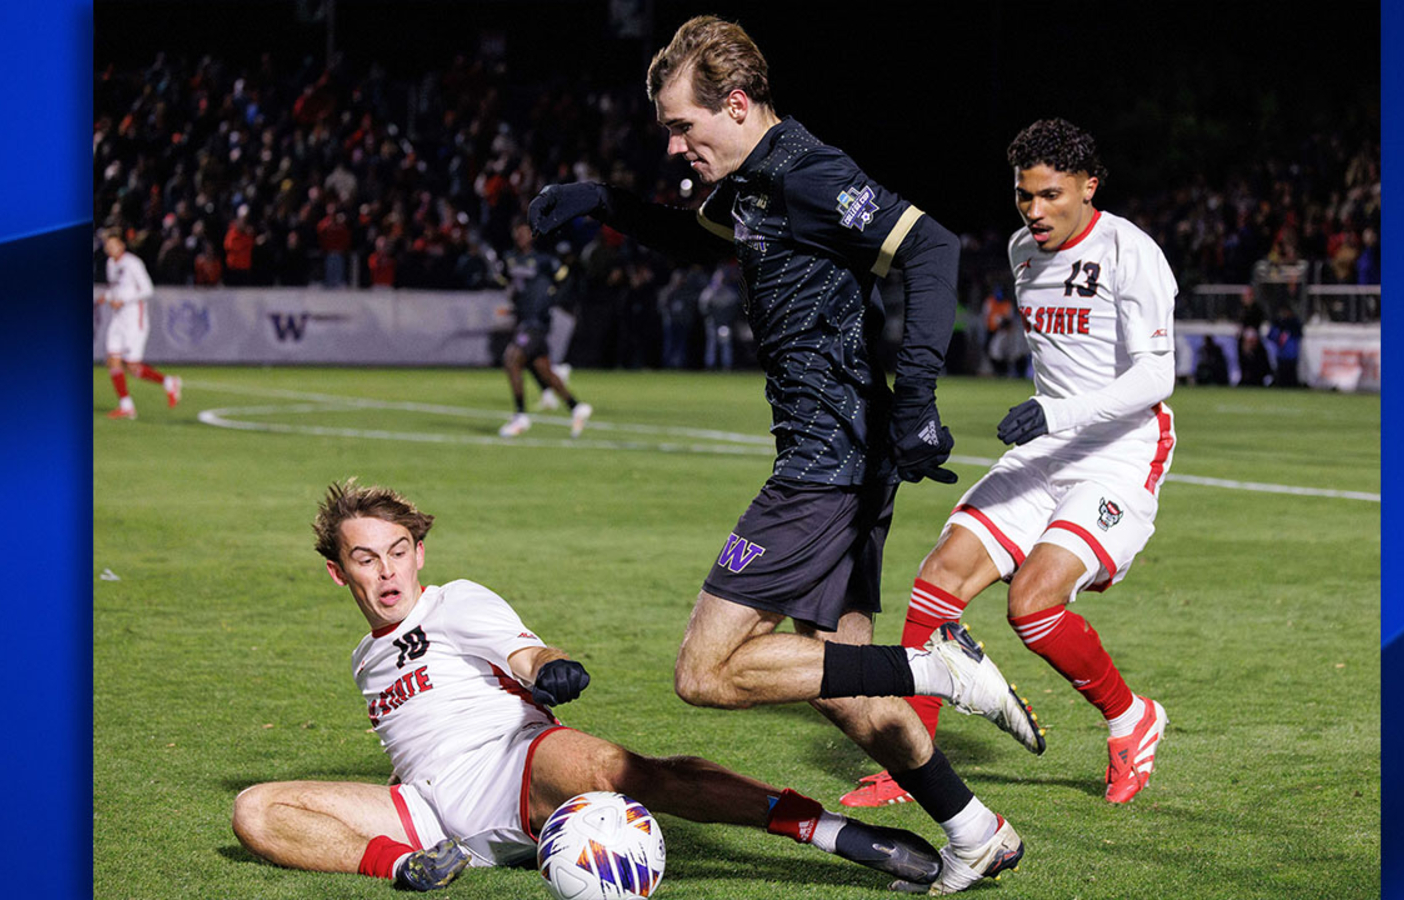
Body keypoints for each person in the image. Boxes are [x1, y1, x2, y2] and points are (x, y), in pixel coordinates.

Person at [528, 17, 1038, 893]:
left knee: (705, 671)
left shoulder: (808, 173)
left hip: (825, 463)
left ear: (736, 104)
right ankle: (975, 831)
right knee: (839, 682)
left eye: (683, 126)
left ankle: (940, 669)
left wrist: (917, 396)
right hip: (838, 459)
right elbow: (700, 238)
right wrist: (606, 204)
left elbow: (931, 245)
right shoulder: (748, 186)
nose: (675, 146)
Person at [230, 480, 948, 891]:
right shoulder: (366, 658)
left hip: (514, 769)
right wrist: (404, 805)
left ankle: (830, 831)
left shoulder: (454, 603)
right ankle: (411, 870)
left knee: (618, 770)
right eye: (366, 559)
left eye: (397, 552)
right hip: (427, 813)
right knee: (257, 810)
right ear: (339, 573)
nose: (387, 571)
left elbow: (522, 651)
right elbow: (418, 735)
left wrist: (549, 669)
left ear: (419, 553)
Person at [842, 119, 1177, 809]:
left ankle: (1130, 718)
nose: (1034, 210)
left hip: (1119, 453)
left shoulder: (1131, 252)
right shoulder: (1023, 250)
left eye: (1051, 194)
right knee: (936, 582)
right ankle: (911, 766)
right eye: (1024, 195)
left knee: (1032, 604)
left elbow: (1157, 376)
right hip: (1050, 446)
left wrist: (1058, 412)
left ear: (1089, 187)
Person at [494, 221, 592, 438]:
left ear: (533, 236)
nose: (521, 236)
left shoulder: (544, 260)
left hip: (536, 323)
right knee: (543, 370)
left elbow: (565, 278)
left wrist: (552, 299)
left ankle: (520, 416)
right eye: (518, 232)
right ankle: (576, 407)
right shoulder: (509, 259)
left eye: (525, 232)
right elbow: (504, 281)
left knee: (511, 360)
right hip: (524, 320)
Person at [97, 231, 180, 419]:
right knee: (113, 360)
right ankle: (126, 406)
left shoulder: (133, 263)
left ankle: (169, 382)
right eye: (108, 246)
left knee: (133, 366)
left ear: (122, 245)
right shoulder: (111, 264)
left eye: (114, 244)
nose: (110, 248)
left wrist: (123, 301)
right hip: (118, 318)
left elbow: (147, 289)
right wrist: (107, 297)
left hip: (135, 319)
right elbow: (116, 288)